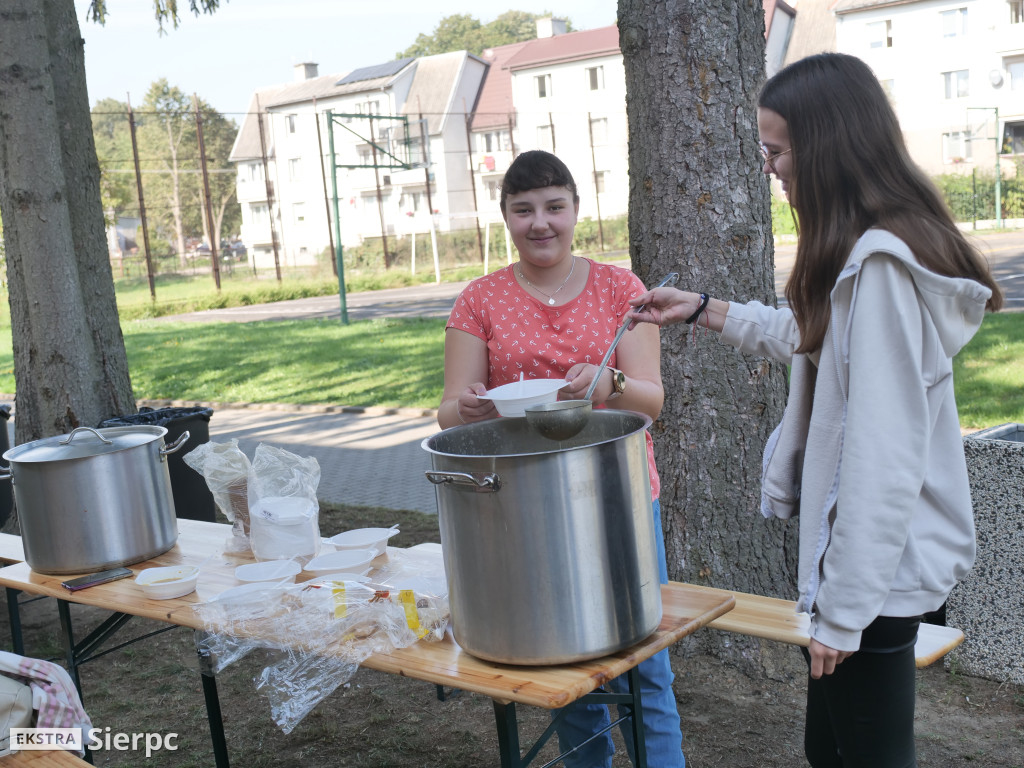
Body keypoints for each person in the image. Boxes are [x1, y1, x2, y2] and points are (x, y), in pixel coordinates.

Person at [626, 53, 1003, 768]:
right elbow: (814, 335)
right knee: (828, 750)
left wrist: (844, 611)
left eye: (776, 148)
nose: (768, 165)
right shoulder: (861, 254)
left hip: (878, 579)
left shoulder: (883, 271)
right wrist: (706, 311)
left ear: (825, 146)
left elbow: (884, 457)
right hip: (866, 576)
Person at [438, 149, 686, 767]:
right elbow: (448, 408)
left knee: (644, 663)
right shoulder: (480, 300)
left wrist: (609, 387)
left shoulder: (619, 289)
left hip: (620, 495)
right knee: (567, 661)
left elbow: (651, 401)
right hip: (526, 502)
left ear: (576, 210)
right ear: (506, 218)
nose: (540, 222)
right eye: (523, 210)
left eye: (554, 206)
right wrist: (468, 407)